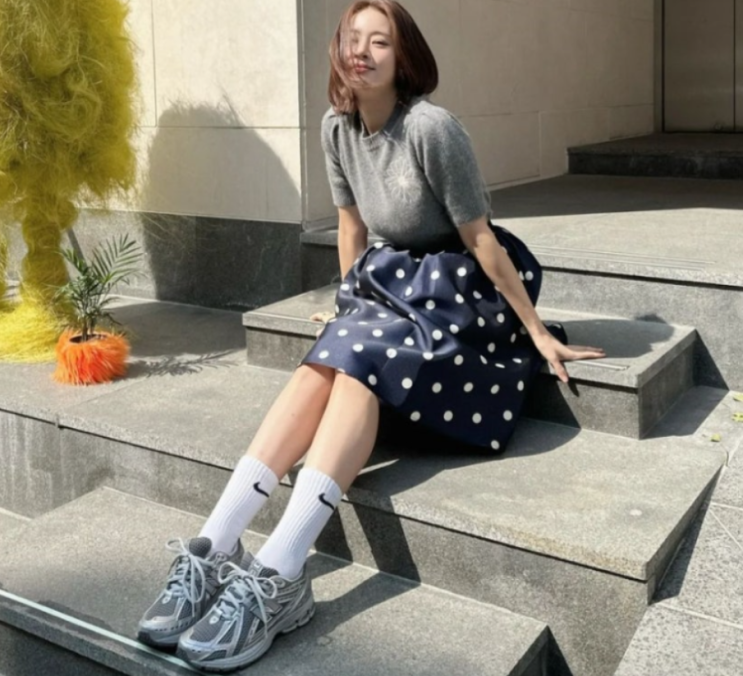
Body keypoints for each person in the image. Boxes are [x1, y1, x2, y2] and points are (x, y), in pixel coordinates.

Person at [136, 1, 605, 671]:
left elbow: (481, 239)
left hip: (460, 291)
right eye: (352, 38)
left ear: (403, 57)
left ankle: (281, 569)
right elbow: (351, 228)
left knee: (356, 355)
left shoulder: (432, 128)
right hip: (394, 284)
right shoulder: (338, 126)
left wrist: (534, 330)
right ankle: (217, 544)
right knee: (336, 351)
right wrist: (347, 302)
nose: (361, 51)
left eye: (379, 42)